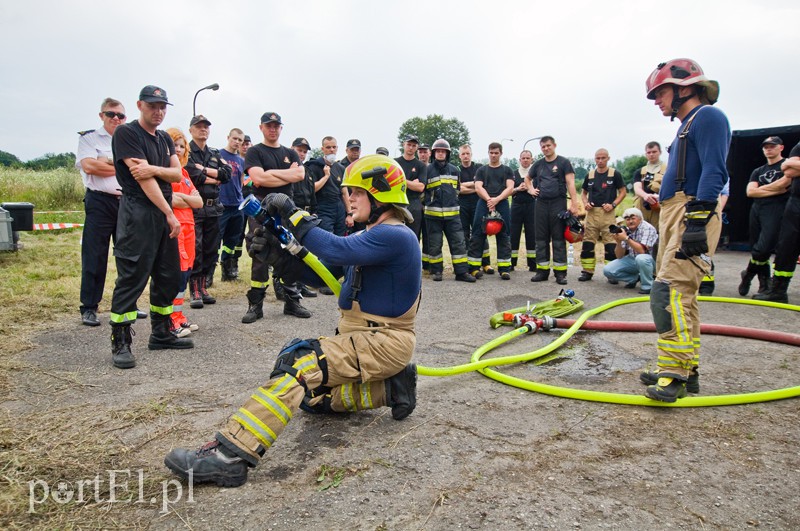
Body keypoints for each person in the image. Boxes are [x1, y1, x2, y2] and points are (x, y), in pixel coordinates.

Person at [164, 154, 421, 488]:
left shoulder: (396, 235)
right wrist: (280, 261)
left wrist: (291, 211)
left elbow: (334, 251)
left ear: (380, 193)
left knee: (299, 364)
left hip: (382, 343)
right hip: (366, 340)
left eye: (357, 192)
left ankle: (229, 456)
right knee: (310, 397)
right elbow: (327, 277)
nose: (350, 198)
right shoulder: (375, 235)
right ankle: (390, 388)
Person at [639, 58, 730, 402]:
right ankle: (685, 368)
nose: (657, 101)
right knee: (683, 296)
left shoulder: (708, 117)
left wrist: (698, 218)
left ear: (685, 88)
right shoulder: (686, 126)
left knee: (668, 291)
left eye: (660, 93)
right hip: (678, 212)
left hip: (692, 211)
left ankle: (673, 372)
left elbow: (715, 171)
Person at [109, 85, 193, 369]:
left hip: (162, 213)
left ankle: (161, 333)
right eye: (152, 106)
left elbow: (176, 174)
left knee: (167, 275)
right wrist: (169, 212)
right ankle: (121, 341)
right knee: (132, 277)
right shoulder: (127, 134)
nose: (158, 112)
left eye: (162, 107)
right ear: (140, 105)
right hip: (139, 213)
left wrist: (155, 169)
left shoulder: (164, 140)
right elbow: (143, 182)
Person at [242, 112, 311, 322]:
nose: (273, 129)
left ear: (281, 128)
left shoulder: (290, 152)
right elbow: (257, 178)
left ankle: (292, 301)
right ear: (261, 127)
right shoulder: (254, 151)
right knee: (260, 252)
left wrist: (269, 173)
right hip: (261, 208)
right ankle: (256, 304)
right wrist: (283, 173)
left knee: (291, 252)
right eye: (268, 125)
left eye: (276, 125)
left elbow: (299, 175)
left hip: (286, 207)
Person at [76, 97, 137, 326]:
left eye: (120, 115)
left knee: (129, 256)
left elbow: (138, 168)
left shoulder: (129, 139)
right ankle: (89, 307)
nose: (116, 118)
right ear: (102, 115)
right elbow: (90, 166)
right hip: (100, 202)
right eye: (111, 114)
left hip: (126, 202)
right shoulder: (90, 138)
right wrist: (121, 166)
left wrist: (107, 164)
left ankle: (128, 303)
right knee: (95, 256)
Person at [185, 115, 231, 308]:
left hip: (213, 208)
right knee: (196, 249)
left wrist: (205, 170)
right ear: (191, 129)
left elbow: (227, 174)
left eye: (206, 127)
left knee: (211, 249)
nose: (203, 129)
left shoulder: (214, 152)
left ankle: (204, 287)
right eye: (199, 126)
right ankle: (194, 290)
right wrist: (215, 177)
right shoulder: (186, 151)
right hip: (195, 207)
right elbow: (192, 175)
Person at [738, 136, 790, 296]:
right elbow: (750, 191)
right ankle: (764, 285)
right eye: (765, 147)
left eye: (772, 146)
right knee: (757, 248)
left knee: (764, 247)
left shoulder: (786, 165)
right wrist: (773, 189)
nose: (768, 149)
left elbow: (785, 185)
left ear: (781, 147)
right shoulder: (758, 171)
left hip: (776, 209)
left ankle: (748, 274)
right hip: (757, 209)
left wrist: (762, 190)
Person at [525, 136, 578, 285]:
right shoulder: (538, 164)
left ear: (554, 145)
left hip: (558, 203)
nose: (546, 148)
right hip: (541, 204)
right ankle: (542, 271)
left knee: (558, 239)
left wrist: (574, 204)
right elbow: (527, 179)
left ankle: (560, 274)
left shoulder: (563, 162)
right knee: (540, 239)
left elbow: (570, 183)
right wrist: (530, 189)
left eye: (548, 145)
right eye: (543, 146)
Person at [166, 128, 203, 336]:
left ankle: (179, 316)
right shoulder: (166, 171)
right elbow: (171, 199)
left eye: (182, 146)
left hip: (190, 226)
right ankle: (170, 320)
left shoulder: (185, 173)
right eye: (175, 145)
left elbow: (198, 202)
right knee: (177, 272)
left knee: (187, 270)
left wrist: (185, 200)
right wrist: (188, 199)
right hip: (175, 226)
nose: (179, 150)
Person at [423, 139, 475, 282]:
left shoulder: (454, 170)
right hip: (433, 215)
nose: (440, 153)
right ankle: (437, 271)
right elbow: (423, 191)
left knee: (459, 243)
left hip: (453, 215)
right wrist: (429, 202)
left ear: (447, 154)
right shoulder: (427, 170)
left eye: (443, 151)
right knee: (435, 244)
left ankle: (461, 272)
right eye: (438, 151)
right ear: (434, 153)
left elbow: (457, 190)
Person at [754, 141, 800, 303]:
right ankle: (778, 291)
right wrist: (790, 164)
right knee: (786, 247)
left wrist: (793, 164)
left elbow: (791, 166)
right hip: (796, 203)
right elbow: (787, 170)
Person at [578, 149, 626, 282]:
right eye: (598, 158)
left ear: (608, 158)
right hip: (592, 214)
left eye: (603, 158)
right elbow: (583, 193)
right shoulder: (590, 175)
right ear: (594, 159)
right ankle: (587, 271)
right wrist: (586, 203)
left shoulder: (614, 174)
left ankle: (612, 273)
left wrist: (613, 204)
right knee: (587, 244)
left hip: (608, 214)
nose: (600, 161)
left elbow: (623, 192)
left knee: (610, 245)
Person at [468, 142, 515, 280]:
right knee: (477, 234)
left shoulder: (507, 170)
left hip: (502, 204)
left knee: (504, 235)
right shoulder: (481, 170)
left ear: (501, 153)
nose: (493, 155)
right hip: (484, 203)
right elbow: (478, 187)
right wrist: (489, 200)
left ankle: (504, 269)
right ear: (488, 153)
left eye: (496, 153)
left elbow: (510, 188)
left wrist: (497, 200)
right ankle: (474, 268)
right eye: (491, 153)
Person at [287, 137, 318, 300]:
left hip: (307, 215)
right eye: (299, 150)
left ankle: (301, 284)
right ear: (292, 149)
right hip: (293, 214)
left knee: (305, 252)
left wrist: (314, 211)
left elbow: (312, 194)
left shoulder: (308, 170)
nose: (302, 154)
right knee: (292, 252)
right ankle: (288, 288)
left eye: (305, 151)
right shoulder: (287, 168)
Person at [603, 208, 658, 294]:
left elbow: (642, 251)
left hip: (651, 260)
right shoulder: (626, 230)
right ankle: (635, 278)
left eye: (633, 218)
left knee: (641, 258)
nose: (630, 221)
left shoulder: (647, 228)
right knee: (608, 270)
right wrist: (619, 242)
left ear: (640, 218)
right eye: (628, 219)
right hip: (633, 258)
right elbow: (619, 256)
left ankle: (647, 286)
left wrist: (626, 238)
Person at [218, 128, 246, 282]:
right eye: (234, 138)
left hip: (237, 205)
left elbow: (241, 181)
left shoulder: (242, 160)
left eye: (240, 140)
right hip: (221, 204)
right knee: (216, 239)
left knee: (232, 240)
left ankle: (227, 269)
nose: (237, 142)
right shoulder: (219, 155)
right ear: (228, 137)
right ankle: (208, 274)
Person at [458, 144, 491, 272]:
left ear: (471, 154)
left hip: (479, 204)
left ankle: (486, 263)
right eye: (463, 154)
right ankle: (469, 262)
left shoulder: (479, 168)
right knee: (464, 234)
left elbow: (483, 185)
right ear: (459, 155)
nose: (466, 156)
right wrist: (476, 186)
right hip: (463, 206)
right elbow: (458, 189)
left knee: (481, 232)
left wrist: (470, 186)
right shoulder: (456, 170)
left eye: (468, 153)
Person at [311, 136, 349, 237]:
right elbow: (312, 189)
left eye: (334, 147)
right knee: (327, 238)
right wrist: (326, 176)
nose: (331, 150)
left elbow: (345, 192)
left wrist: (349, 214)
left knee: (340, 238)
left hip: (339, 207)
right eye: (328, 147)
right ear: (322, 149)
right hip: (323, 207)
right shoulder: (314, 166)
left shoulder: (340, 168)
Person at [394, 135, 426, 242]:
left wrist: (401, 180)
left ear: (417, 147)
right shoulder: (395, 163)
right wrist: (412, 183)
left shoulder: (420, 165)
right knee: (395, 235)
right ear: (403, 145)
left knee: (413, 237)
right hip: (396, 202)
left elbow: (420, 187)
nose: (411, 148)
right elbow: (390, 183)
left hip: (414, 203)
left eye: (414, 145)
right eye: (409, 145)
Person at [510, 150, 536, 272]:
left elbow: (540, 189)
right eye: (523, 158)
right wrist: (518, 188)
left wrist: (531, 188)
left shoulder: (535, 174)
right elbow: (508, 191)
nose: (525, 160)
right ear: (519, 160)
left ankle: (533, 264)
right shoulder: (513, 174)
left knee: (532, 234)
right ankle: (511, 263)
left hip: (532, 206)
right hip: (516, 206)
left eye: (528, 158)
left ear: (532, 159)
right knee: (514, 234)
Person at [633, 142, 665, 229]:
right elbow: (637, 188)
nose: (651, 154)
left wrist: (658, 196)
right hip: (643, 206)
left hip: (661, 206)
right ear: (646, 154)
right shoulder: (640, 171)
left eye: (654, 152)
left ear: (660, 152)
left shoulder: (668, 170)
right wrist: (646, 196)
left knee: (660, 231)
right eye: (649, 152)